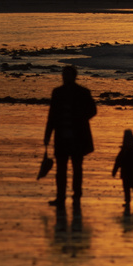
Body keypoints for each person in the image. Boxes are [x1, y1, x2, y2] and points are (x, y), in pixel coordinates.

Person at [43, 64, 97, 207]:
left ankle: (77, 196)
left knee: (77, 168)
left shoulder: (83, 92)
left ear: (74, 76)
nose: (64, 77)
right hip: (61, 136)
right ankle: (60, 198)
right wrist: (47, 134)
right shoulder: (57, 92)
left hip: (78, 137)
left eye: (67, 74)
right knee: (61, 169)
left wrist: (79, 119)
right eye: (63, 74)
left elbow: (93, 110)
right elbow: (52, 115)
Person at [111, 129, 133, 212]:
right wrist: (114, 170)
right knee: (126, 188)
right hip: (125, 174)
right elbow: (118, 161)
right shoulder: (123, 151)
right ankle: (127, 201)